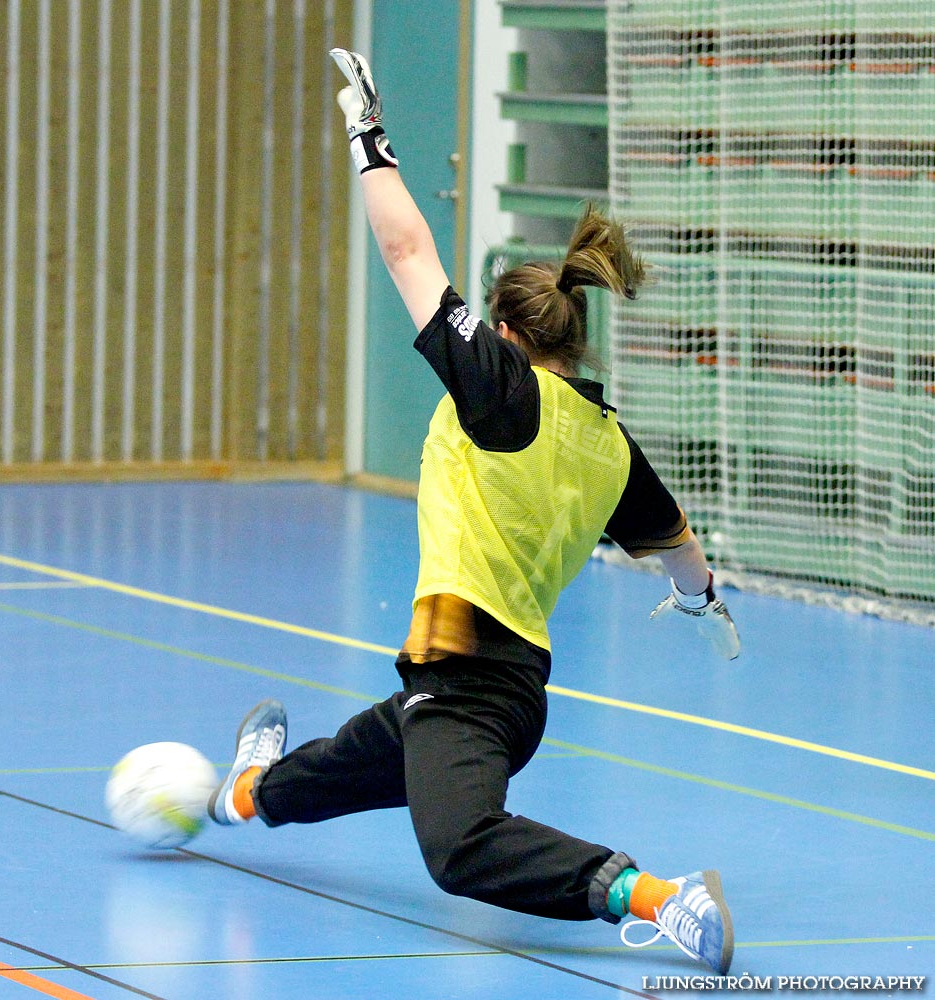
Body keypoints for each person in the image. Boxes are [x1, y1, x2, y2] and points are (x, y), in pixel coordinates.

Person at [207, 49, 741, 976]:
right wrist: (700, 599)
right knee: (332, 772)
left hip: (468, 684)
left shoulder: (497, 392)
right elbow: (680, 547)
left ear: (504, 338)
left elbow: (408, 250)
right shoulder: (608, 441)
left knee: (458, 848)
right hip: (496, 690)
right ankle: (241, 793)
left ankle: (658, 899)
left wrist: (367, 139)